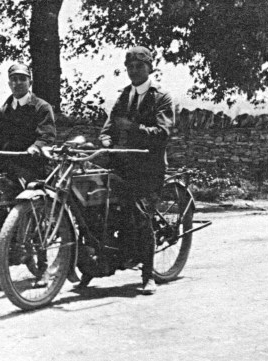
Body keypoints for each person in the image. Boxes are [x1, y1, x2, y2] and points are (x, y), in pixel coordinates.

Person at [98, 46, 173, 295]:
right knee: (100, 205)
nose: (133, 71)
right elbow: (108, 127)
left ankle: (148, 275)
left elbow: (163, 134)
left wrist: (134, 129)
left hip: (148, 169)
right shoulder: (123, 97)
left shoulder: (161, 97)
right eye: (130, 67)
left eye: (139, 66)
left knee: (141, 216)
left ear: (150, 67)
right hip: (123, 165)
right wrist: (106, 140)